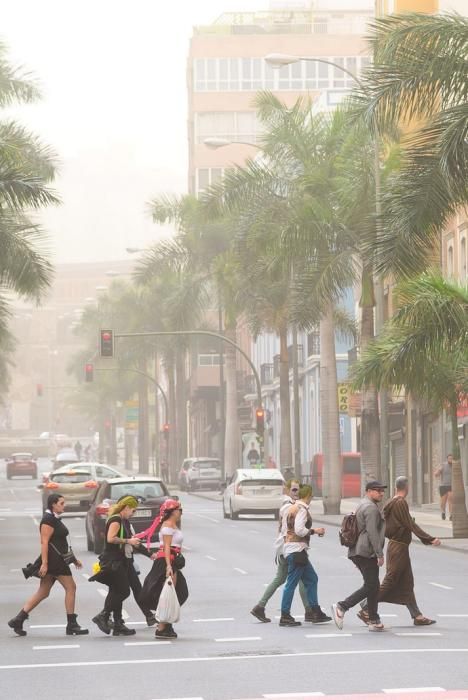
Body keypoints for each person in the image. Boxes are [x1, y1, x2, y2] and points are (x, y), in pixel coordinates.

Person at [358, 476, 441, 626]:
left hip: (399, 546)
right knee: (390, 580)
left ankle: (417, 615)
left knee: (407, 582)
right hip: (398, 547)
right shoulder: (400, 503)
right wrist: (429, 538)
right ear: (407, 488)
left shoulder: (391, 502)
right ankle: (365, 607)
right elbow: (410, 524)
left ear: (396, 487)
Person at [8, 493, 88, 637]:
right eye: (62, 503)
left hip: (56, 560)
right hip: (55, 562)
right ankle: (72, 625)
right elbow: (44, 542)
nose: (65, 505)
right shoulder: (48, 520)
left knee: (43, 592)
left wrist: (74, 559)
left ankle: (18, 619)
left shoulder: (54, 519)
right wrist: (44, 564)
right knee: (71, 587)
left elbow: (60, 544)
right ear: (53, 504)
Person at [251, 480, 312, 623]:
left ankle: (260, 606)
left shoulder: (295, 505)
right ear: (287, 490)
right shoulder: (288, 507)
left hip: (288, 547)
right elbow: (288, 530)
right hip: (289, 547)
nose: (297, 493)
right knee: (299, 579)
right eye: (294, 490)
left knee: (284, 579)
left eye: (299, 490)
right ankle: (308, 611)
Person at [93, 495, 157, 628]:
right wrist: (128, 541)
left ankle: (117, 622)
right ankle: (104, 616)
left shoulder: (124, 520)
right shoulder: (116, 520)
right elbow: (111, 539)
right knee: (122, 591)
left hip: (124, 560)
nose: (133, 514)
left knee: (121, 590)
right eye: (133, 510)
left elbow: (134, 542)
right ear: (126, 507)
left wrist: (149, 554)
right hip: (115, 561)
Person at [331, 480, 386, 633]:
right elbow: (372, 533)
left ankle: (374, 620)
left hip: (359, 550)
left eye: (382, 490)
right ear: (368, 491)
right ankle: (342, 606)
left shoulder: (363, 504)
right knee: (371, 585)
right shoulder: (370, 508)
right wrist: (379, 554)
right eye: (377, 490)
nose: (381, 493)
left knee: (373, 586)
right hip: (366, 551)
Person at [279, 484, 331, 627]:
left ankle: (315, 611)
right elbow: (300, 530)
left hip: (293, 549)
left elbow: (284, 529)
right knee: (291, 584)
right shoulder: (301, 509)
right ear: (309, 496)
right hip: (297, 550)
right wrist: (315, 531)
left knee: (312, 578)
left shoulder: (291, 508)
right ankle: (285, 615)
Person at [137, 499, 188, 639]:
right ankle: (162, 627)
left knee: (176, 593)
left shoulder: (173, 525)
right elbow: (166, 547)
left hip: (172, 561)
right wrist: (168, 566)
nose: (181, 512)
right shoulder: (167, 526)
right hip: (166, 562)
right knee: (167, 594)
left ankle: (167, 623)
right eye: (179, 510)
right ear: (172, 511)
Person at [435, 454, 453, 520]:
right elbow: (436, 474)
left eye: (451, 458)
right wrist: (439, 471)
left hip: (451, 486)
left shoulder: (455, 466)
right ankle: (443, 512)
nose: (450, 459)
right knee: (443, 502)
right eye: (449, 458)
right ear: (447, 459)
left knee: (450, 500)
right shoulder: (443, 465)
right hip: (443, 486)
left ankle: (451, 515)